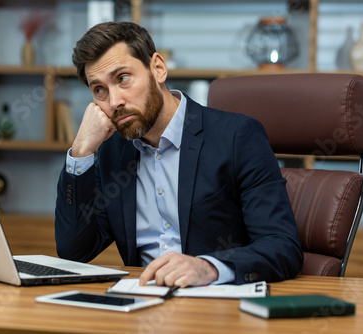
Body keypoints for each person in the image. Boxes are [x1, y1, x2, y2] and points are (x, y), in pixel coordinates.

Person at [55, 21, 303, 287]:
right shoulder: (112, 152)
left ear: (158, 68)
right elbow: (74, 251)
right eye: (99, 90)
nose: (114, 101)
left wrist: (208, 268)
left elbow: (282, 246)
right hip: (140, 306)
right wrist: (81, 152)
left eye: (123, 78)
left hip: (217, 308)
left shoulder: (237, 136)